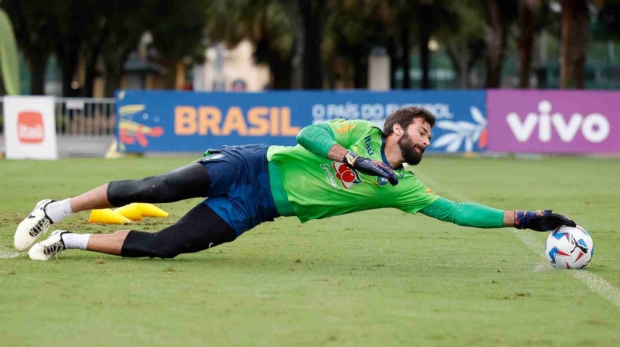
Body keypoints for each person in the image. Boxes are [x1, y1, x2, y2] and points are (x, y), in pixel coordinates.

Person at [14, 106, 576, 261]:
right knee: (155, 186)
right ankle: (57, 208)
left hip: (261, 208)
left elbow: (456, 212)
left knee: (166, 246)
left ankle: (69, 240)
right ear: (398, 128)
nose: (427, 140)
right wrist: (356, 161)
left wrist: (526, 218)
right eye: (422, 131)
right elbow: (307, 133)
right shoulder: (360, 132)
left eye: (431, 136)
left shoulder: (402, 189)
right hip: (251, 164)